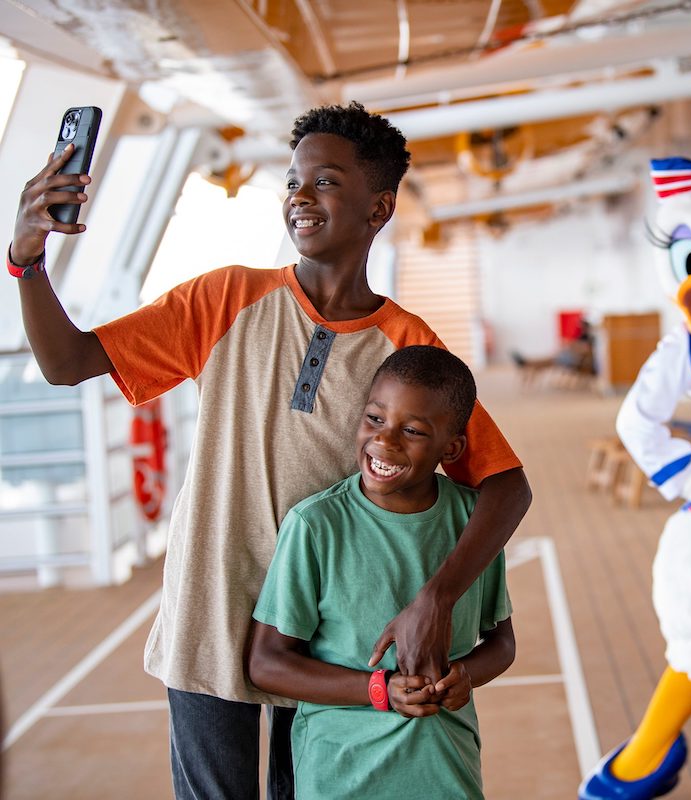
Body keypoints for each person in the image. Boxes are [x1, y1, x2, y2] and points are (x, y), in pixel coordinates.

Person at [8, 101, 531, 798]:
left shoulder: (408, 345)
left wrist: (436, 597)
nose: (300, 197)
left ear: (378, 211)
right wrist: (27, 258)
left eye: (325, 182)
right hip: (209, 608)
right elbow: (67, 361)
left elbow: (505, 486)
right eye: (292, 181)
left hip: (324, 635)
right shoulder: (225, 299)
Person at [247, 345, 515, 800]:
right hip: (338, 775)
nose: (385, 441)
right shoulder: (315, 526)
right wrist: (379, 689)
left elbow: (502, 643)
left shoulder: (474, 526)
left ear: (451, 448)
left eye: (411, 430)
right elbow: (265, 663)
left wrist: (465, 677)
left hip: (445, 771)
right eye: (375, 419)